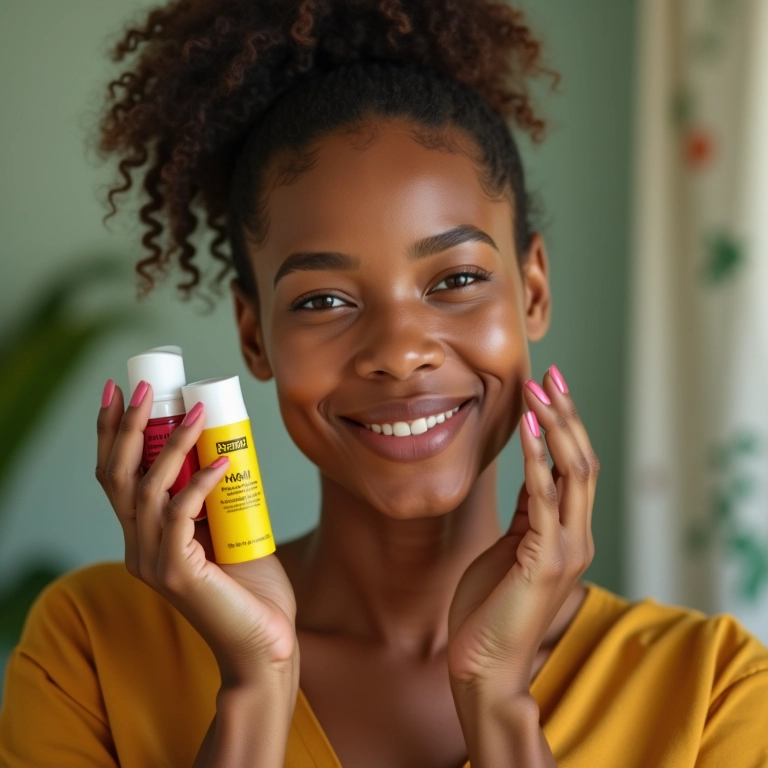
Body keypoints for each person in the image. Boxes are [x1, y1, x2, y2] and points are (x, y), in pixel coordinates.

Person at [2, 1, 768, 766]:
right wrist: (256, 686)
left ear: (532, 291)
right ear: (254, 335)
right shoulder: (92, 646)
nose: (399, 353)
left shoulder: (714, 689)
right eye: (323, 300)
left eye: (457, 279)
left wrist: (498, 703)